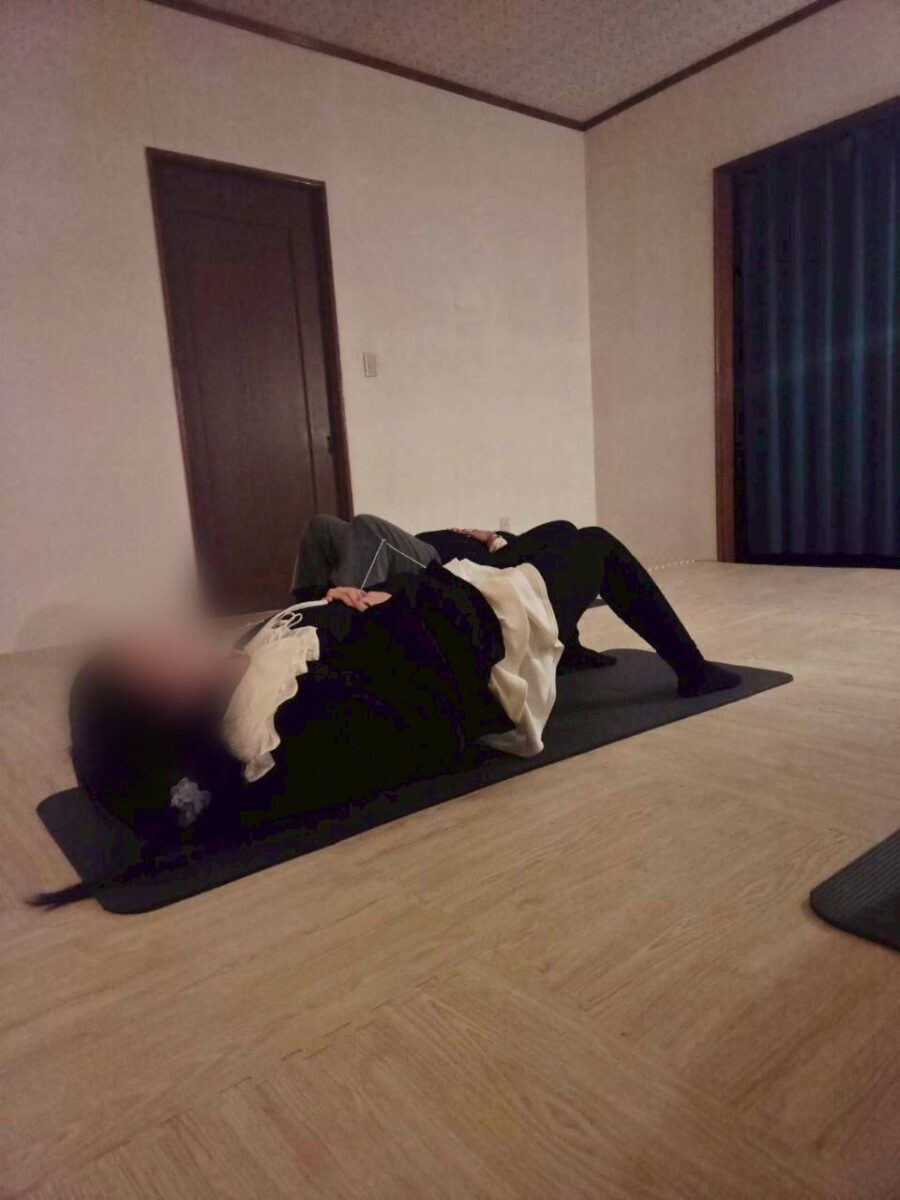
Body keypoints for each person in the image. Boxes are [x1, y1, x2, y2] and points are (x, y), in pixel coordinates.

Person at [30, 525, 739, 908]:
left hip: (446, 598)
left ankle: (569, 644)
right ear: (173, 706)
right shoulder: (281, 730)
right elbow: (422, 719)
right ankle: (695, 671)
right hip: (483, 625)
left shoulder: (239, 674)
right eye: (154, 655)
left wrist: (337, 603)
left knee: (548, 530)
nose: (164, 634)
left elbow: (323, 640)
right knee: (595, 545)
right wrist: (392, 600)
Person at [292, 514, 614, 671]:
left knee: (368, 528)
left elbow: (519, 570)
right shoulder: (478, 535)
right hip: (416, 548)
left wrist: (493, 539)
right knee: (321, 526)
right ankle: (300, 614)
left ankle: (333, 629)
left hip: (437, 565)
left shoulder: (513, 546)